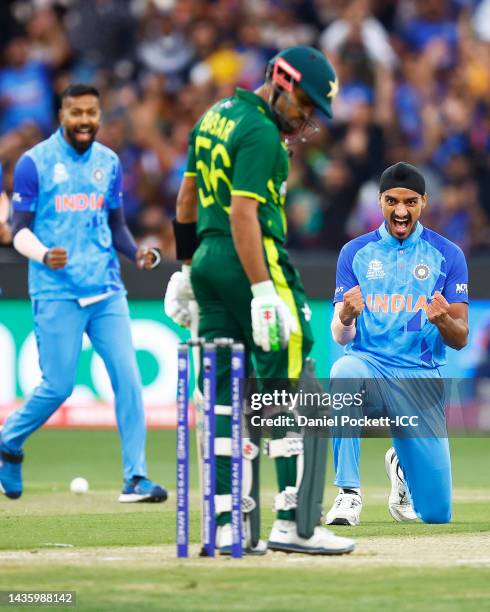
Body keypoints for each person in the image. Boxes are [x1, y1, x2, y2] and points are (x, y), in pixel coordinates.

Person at [165, 46, 355, 556]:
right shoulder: (261, 132)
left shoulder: (213, 117)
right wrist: (264, 291)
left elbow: (185, 202)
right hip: (254, 259)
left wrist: (187, 270)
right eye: (306, 104)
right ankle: (291, 521)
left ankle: (229, 525)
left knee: (227, 394)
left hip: (206, 260)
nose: (307, 117)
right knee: (286, 381)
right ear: (282, 81)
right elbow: (244, 216)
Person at [0, 84, 167, 504]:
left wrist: (137, 253)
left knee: (129, 380)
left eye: (91, 113)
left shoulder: (108, 163)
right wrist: (42, 253)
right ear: (61, 114)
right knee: (57, 387)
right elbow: (17, 229)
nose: (85, 121)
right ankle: (9, 442)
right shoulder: (34, 163)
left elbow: (116, 227)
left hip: (106, 289)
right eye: (76, 113)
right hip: (56, 291)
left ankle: (136, 477)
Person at [325, 161, 469, 526]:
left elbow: (461, 339)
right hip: (369, 369)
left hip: (420, 379)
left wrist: (443, 321)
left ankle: (401, 469)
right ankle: (348, 494)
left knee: (436, 514)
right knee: (343, 371)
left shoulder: (448, 254)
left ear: (424, 202)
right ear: (379, 202)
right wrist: (345, 317)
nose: (401, 211)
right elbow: (341, 336)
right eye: (392, 201)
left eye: (409, 202)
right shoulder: (354, 252)